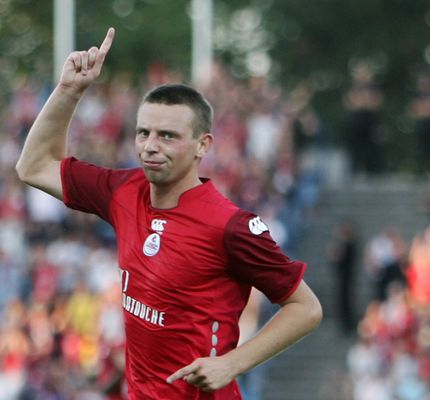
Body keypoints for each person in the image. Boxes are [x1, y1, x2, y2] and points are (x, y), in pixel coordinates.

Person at [15, 28, 322, 399]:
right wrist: (68, 91)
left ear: (202, 145)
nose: (150, 146)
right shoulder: (122, 191)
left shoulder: (230, 225)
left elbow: (305, 308)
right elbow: (33, 166)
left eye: (167, 136)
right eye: (143, 133)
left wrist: (233, 363)